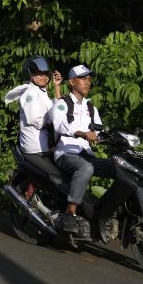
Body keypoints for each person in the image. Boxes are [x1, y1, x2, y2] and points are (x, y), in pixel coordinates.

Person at [51, 64, 116, 234]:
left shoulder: (91, 108)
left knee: (118, 166)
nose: (87, 82)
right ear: (72, 82)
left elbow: (100, 131)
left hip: (86, 154)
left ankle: (109, 212)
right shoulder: (62, 104)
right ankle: (70, 213)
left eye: (89, 79)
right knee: (86, 168)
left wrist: (115, 139)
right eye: (83, 78)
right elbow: (59, 125)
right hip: (66, 153)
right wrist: (81, 133)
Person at [3, 57, 62, 170]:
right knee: (56, 177)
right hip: (35, 147)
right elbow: (35, 120)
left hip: (46, 145)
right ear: (31, 75)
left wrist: (57, 86)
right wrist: (54, 123)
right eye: (39, 74)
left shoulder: (42, 92)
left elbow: (59, 109)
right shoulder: (29, 92)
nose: (43, 77)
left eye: (45, 74)